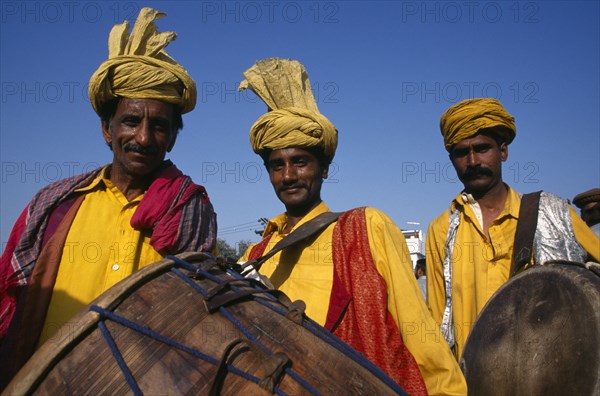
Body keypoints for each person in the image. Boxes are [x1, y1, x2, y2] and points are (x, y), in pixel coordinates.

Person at [0, 8, 217, 386]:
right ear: (107, 129)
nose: (144, 138)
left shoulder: (189, 212)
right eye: (131, 121)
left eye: (159, 126)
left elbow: (201, 313)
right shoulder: (53, 205)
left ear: (172, 138)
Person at [237, 58, 466, 395]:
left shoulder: (365, 229)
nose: (288, 176)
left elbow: (420, 337)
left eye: (300, 162)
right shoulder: (255, 256)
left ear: (324, 169)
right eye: (277, 165)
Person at [426, 98, 600, 360]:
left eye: (482, 148)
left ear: (503, 151)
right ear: (451, 160)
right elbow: (436, 325)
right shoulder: (441, 231)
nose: (472, 161)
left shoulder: (552, 213)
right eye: (462, 153)